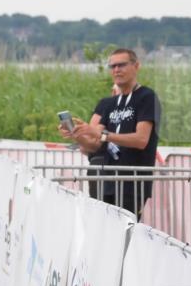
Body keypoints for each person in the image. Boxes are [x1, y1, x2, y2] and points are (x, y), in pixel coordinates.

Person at [60, 48, 161, 218]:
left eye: (121, 65)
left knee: (125, 236)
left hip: (132, 182)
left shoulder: (147, 96)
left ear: (136, 66)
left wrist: (104, 134)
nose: (116, 70)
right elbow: (94, 146)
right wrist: (77, 135)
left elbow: (141, 140)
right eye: (112, 66)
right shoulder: (110, 103)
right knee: (103, 233)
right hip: (105, 180)